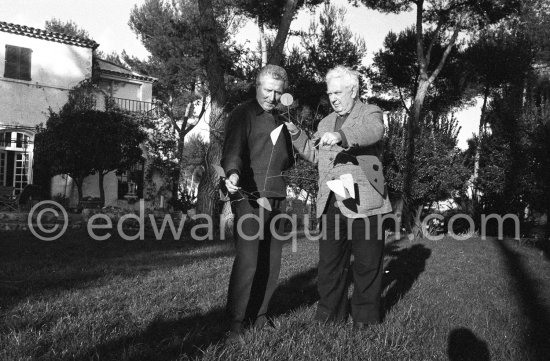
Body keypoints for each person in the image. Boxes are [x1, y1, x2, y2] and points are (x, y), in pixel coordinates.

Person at [285, 65, 392, 329]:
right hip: (331, 203)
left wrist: (341, 136)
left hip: (365, 203)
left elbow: (373, 132)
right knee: (329, 266)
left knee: (367, 264)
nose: (333, 98)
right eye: (330, 93)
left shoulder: (370, 112)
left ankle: (365, 320)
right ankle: (329, 317)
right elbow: (315, 154)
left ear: (353, 90)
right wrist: (298, 137)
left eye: (338, 92)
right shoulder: (325, 122)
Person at [221, 64, 294, 341]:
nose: (272, 97)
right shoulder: (243, 114)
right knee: (249, 260)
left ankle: (260, 316)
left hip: (277, 195)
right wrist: (233, 172)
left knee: (271, 261)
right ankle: (235, 323)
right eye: (267, 90)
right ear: (257, 86)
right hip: (249, 195)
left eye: (278, 92)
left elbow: (288, 157)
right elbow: (233, 150)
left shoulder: (281, 119)